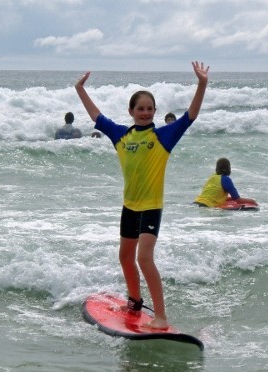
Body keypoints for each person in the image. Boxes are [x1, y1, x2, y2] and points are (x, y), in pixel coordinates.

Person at [75, 61, 209, 330]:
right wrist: (80, 89)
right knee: (125, 257)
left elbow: (190, 116)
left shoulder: (163, 137)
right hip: (130, 207)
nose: (145, 112)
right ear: (131, 111)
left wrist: (202, 84)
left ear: (154, 112)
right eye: (141, 108)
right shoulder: (121, 135)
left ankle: (161, 317)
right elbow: (96, 117)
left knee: (144, 258)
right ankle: (134, 302)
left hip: (151, 207)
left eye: (150, 109)